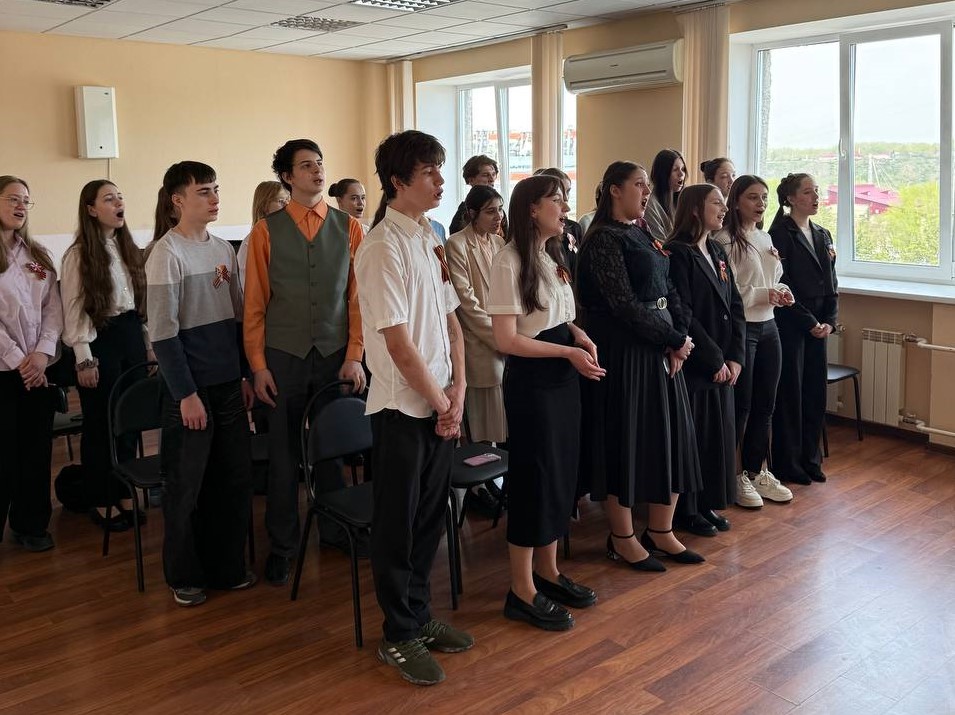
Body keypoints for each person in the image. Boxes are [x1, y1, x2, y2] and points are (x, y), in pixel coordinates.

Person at [356, 130, 472, 686]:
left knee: (429, 519)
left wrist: (460, 390)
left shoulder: (428, 236)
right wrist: (441, 400)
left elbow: (452, 322)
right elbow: (398, 343)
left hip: (440, 403)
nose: (441, 181)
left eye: (439, 169)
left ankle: (420, 615)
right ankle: (398, 632)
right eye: (429, 172)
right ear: (398, 181)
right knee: (397, 527)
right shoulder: (382, 246)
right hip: (402, 408)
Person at [244, 139, 366, 585]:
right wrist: (258, 365)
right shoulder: (265, 231)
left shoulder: (350, 228)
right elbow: (255, 305)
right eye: (306, 165)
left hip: (335, 354)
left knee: (330, 447)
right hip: (284, 357)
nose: (317, 171)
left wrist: (355, 355)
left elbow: (357, 300)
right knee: (282, 455)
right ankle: (283, 545)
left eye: (320, 164)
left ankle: (336, 529)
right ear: (287, 176)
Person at [489, 174, 602, 632]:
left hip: (561, 375)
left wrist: (577, 334)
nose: (565, 207)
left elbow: (557, 316)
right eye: (557, 200)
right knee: (534, 479)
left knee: (559, 474)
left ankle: (548, 571)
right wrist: (566, 351)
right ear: (532, 209)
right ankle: (521, 589)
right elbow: (507, 339)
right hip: (533, 383)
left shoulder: (551, 253)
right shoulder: (508, 260)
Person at [576, 161, 703, 572]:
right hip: (627, 352)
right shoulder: (603, 239)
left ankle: (661, 531)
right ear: (615, 190)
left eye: (648, 185)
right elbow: (623, 305)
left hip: (662, 347)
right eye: (638, 184)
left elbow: (670, 287)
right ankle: (622, 537)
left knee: (672, 438)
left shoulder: (642, 231)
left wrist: (680, 336)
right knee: (627, 444)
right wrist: (673, 340)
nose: (646, 192)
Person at [146, 161, 256, 606]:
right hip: (190, 390)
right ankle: (184, 575)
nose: (214, 199)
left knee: (232, 479)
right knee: (185, 485)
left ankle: (226, 567)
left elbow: (237, 319)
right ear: (178, 200)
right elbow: (163, 335)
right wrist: (186, 394)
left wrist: (244, 374)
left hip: (228, 383)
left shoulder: (223, 249)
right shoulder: (166, 253)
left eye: (216, 190)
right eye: (204, 192)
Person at [60, 180, 152, 532]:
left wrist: (147, 344)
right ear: (91, 209)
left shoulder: (128, 248)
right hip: (101, 339)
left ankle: (123, 489)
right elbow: (74, 310)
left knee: (128, 418)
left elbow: (139, 305)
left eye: (120, 197)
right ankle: (101, 496)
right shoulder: (79, 255)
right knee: (101, 423)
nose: (118, 203)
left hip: (130, 335)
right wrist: (84, 358)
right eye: (109, 199)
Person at [667, 184, 746, 536]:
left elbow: (735, 304)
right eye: (717, 203)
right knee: (695, 438)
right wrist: (714, 359)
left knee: (717, 437)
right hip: (698, 362)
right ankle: (687, 509)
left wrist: (736, 357)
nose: (724, 209)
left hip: (725, 361)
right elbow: (684, 313)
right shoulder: (677, 253)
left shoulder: (716, 248)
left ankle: (707, 503)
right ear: (696, 209)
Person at [715, 175, 795, 507]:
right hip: (743, 329)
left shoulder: (765, 237)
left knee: (766, 404)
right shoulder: (724, 241)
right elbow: (728, 294)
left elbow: (773, 278)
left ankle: (755, 470)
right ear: (735, 201)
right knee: (742, 406)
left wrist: (782, 291)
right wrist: (766, 293)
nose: (760, 203)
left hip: (769, 326)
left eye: (764, 197)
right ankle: (733, 476)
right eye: (752, 197)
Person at [0, 175, 62, 552]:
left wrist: (42, 353)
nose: (21, 206)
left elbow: (52, 308)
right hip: (4, 372)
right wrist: (19, 360)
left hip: (37, 369)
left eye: (26, 200)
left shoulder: (36, 255)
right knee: (3, 455)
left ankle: (31, 524)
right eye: (12, 199)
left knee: (35, 452)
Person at [769, 173, 838, 485]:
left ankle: (811, 458)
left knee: (814, 392)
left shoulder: (822, 233)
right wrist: (808, 322)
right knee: (791, 394)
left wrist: (829, 321)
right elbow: (782, 283)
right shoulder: (779, 234)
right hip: (792, 323)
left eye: (817, 191)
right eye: (808, 192)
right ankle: (788, 462)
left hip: (820, 325)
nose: (815, 197)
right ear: (791, 198)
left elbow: (831, 281)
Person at [446, 185, 507, 517]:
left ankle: (492, 481)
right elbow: (465, 302)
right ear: (472, 213)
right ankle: (477, 488)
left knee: (497, 422)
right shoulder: (457, 244)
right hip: (476, 343)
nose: (498, 217)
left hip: (503, 340)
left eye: (500, 209)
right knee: (480, 423)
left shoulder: (498, 243)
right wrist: (500, 337)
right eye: (490, 211)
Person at [534, 167, 583, 280]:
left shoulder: (575, 228)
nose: (566, 197)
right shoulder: (542, 236)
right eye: (557, 197)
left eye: (568, 191)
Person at [236, 181, 289, 284]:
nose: (287, 205)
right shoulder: (251, 242)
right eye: (281, 201)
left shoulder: (290, 237)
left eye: (289, 200)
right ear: (264, 206)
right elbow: (250, 285)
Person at [448, 155, 501, 234]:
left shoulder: (499, 209)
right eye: (485, 175)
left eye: (493, 174)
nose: (492, 179)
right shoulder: (462, 213)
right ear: (471, 180)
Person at [644, 149, 686, 243]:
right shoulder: (650, 205)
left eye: (683, 169)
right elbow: (660, 244)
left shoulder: (683, 202)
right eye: (675, 170)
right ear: (663, 174)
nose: (681, 174)